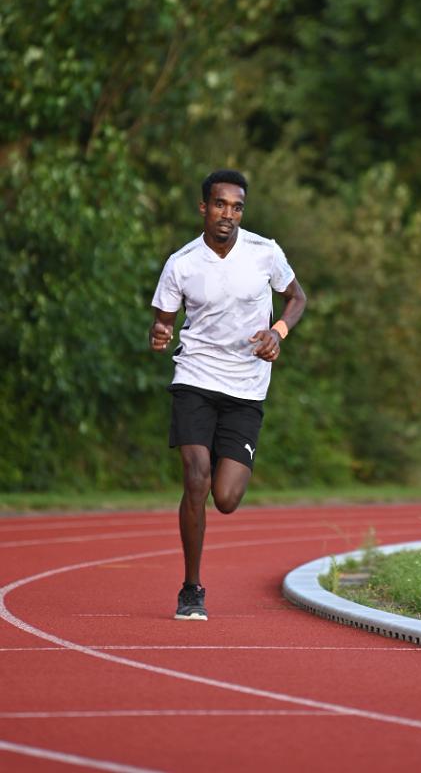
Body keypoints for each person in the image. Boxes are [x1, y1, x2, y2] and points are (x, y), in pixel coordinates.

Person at [149, 169, 306, 620]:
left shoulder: (265, 252)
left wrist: (278, 332)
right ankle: (191, 589)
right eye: (220, 204)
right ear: (204, 207)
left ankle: (219, 453)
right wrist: (159, 334)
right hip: (195, 377)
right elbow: (163, 321)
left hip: (246, 387)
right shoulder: (182, 263)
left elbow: (297, 298)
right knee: (195, 477)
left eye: (237, 207)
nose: (228, 214)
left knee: (226, 499)